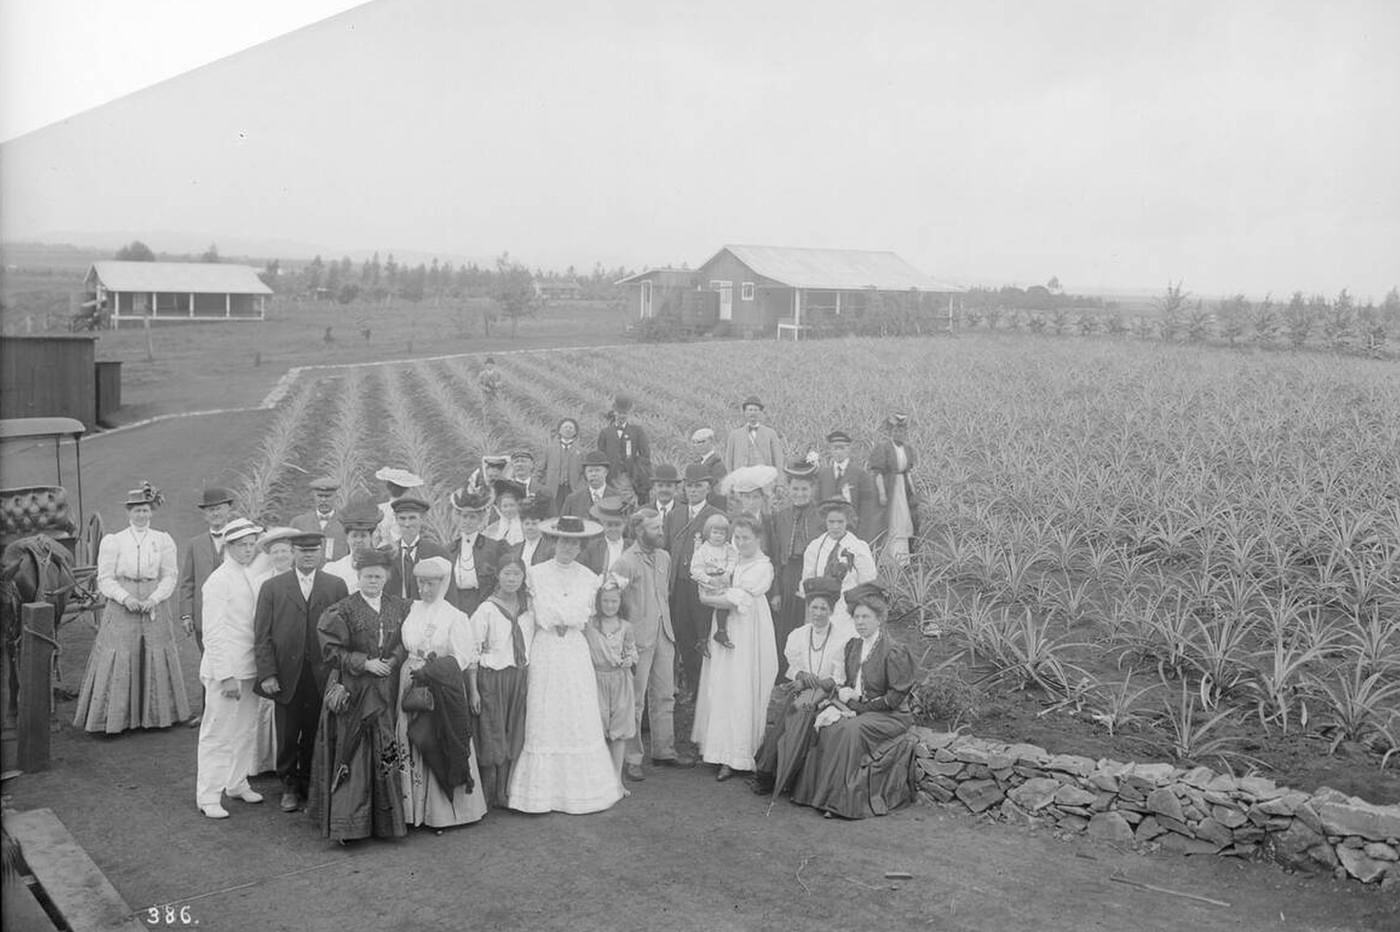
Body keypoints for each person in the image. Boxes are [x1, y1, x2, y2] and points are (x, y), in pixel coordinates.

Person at [506, 515, 622, 814]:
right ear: (553, 541)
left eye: (574, 543)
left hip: (573, 648)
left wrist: (564, 616)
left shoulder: (588, 577)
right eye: (563, 541)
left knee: (575, 710)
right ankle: (542, 794)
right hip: (546, 647)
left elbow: (581, 614)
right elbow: (539, 611)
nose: (567, 547)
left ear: (580, 546)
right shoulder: (535, 573)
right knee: (546, 709)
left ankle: (582, 791)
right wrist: (556, 616)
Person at [791, 582, 918, 820]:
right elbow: (846, 682)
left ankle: (839, 802)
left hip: (891, 716)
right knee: (829, 728)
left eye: (866, 617)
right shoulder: (854, 646)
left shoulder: (894, 651)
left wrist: (859, 702)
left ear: (879, 618)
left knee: (850, 731)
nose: (860, 622)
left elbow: (894, 699)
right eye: (857, 617)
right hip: (860, 709)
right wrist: (843, 697)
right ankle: (816, 796)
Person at [308, 547, 409, 843]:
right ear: (359, 577)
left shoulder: (399, 607)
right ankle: (349, 824)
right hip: (355, 691)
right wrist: (364, 663)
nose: (373, 581)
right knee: (354, 752)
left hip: (386, 690)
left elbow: (406, 640)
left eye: (378, 576)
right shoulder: (343, 609)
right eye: (367, 576)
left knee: (386, 748)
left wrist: (393, 660)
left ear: (387, 577)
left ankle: (386, 822)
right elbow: (330, 650)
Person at [74, 482, 191, 733]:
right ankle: (116, 720)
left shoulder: (163, 540)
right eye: (136, 510)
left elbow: (170, 575)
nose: (142, 515)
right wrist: (125, 598)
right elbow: (105, 578)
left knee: (155, 649)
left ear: (151, 512)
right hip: (122, 601)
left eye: (146, 510)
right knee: (120, 651)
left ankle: (157, 716)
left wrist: (154, 599)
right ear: (128, 513)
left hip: (153, 601)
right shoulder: (114, 541)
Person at [254, 530, 349, 813]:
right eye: (302, 551)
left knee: (313, 730)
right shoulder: (272, 587)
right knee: (286, 732)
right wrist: (268, 674)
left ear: (321, 553)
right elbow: (262, 636)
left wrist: (340, 672)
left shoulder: (335, 585)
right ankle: (288, 784)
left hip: (321, 674)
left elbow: (344, 631)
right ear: (293, 553)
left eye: (313, 551)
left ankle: (309, 780)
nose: (308, 555)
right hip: (286, 674)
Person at [396, 557, 487, 829]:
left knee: (437, 738)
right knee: (411, 737)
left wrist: (432, 670)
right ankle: (413, 810)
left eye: (431, 584)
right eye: (421, 583)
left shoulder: (455, 616)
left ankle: (445, 813)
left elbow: (461, 657)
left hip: (440, 684)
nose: (425, 589)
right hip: (410, 677)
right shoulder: (412, 609)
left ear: (444, 583)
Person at [690, 513, 778, 782]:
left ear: (758, 538)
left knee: (741, 684)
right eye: (737, 537)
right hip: (724, 627)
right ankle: (717, 749)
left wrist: (707, 598)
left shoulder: (764, 566)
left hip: (748, 628)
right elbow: (716, 582)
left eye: (746, 538)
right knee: (722, 683)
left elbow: (738, 598)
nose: (740, 543)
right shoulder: (732, 560)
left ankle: (737, 754)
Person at [610, 508, 694, 782]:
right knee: (634, 700)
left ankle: (664, 750)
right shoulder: (624, 562)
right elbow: (613, 603)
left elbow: (664, 593)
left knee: (665, 695)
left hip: (664, 635)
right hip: (637, 639)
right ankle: (633, 758)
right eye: (655, 528)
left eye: (661, 527)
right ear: (638, 531)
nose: (661, 532)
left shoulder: (664, 557)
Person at [752, 577, 852, 796]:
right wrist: (801, 675)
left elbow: (839, 676)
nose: (818, 613)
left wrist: (819, 682)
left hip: (827, 693)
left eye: (823, 608)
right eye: (814, 607)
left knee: (800, 710)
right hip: (802, 690)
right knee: (792, 712)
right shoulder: (798, 635)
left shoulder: (842, 638)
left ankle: (780, 775)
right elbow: (793, 667)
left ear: (832, 610)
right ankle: (770, 770)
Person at [195, 518, 268, 818]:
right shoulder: (218, 581)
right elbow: (213, 632)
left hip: (249, 667)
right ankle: (208, 796)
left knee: (245, 729)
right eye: (242, 545)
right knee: (218, 732)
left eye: (252, 544)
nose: (248, 550)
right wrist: (225, 675)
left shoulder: (248, 574)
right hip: (227, 670)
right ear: (228, 547)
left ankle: (236, 783)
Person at [469, 556, 533, 808]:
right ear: (498, 576)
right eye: (507, 573)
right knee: (491, 731)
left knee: (513, 730)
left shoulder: (528, 608)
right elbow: (472, 650)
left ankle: (505, 790)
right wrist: (473, 690)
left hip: (517, 676)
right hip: (491, 678)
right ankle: (487, 792)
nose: (511, 579)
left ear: (523, 578)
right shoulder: (486, 609)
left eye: (516, 574)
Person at [179, 485, 237, 725]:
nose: (215, 514)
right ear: (205, 514)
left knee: (234, 661)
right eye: (210, 510)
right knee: (208, 662)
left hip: (234, 614)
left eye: (219, 509)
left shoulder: (240, 540)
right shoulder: (195, 543)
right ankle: (207, 712)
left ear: (228, 511)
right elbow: (187, 582)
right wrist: (186, 615)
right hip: (205, 617)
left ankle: (233, 711)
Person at [665, 464, 725, 696]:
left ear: (708, 487)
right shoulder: (675, 515)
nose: (693, 490)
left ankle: (705, 688)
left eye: (698, 486)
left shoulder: (715, 517)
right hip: (679, 585)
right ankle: (690, 685)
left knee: (703, 634)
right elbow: (668, 548)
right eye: (689, 486)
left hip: (702, 586)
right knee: (682, 633)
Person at [250, 526, 300, 778]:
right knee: (271, 709)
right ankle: (269, 761)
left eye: (285, 551)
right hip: (274, 654)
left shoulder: (303, 579)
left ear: (293, 554)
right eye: (275, 551)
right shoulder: (262, 583)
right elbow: (259, 626)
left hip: (298, 657)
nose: (280, 556)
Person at [768, 460, 825, 674]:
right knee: (784, 626)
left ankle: (807, 674)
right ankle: (784, 674)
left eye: (804, 489)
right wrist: (776, 591)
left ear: (812, 489)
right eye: (795, 488)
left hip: (811, 577)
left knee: (808, 625)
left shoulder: (820, 516)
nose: (800, 493)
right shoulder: (781, 516)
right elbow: (775, 555)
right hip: (786, 576)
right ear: (789, 489)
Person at [583, 580, 637, 796]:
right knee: (599, 729)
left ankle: (616, 779)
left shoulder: (626, 626)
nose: (610, 605)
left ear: (620, 602)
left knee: (619, 732)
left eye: (614, 601)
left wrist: (629, 660)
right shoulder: (591, 626)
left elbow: (632, 652)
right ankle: (599, 779)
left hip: (620, 682)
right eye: (605, 601)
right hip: (597, 680)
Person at [801, 499, 878, 629]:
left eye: (840, 522)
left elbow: (867, 582)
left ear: (847, 521)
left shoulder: (857, 547)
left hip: (846, 607)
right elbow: (807, 580)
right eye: (831, 522)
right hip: (822, 606)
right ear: (825, 521)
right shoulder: (815, 547)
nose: (835, 527)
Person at [444, 486, 508, 614]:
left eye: (472, 517)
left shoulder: (494, 547)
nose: (467, 521)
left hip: (483, 604)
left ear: (480, 519)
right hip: (455, 604)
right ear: (459, 518)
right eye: (464, 516)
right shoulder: (449, 550)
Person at [868, 412, 919, 566]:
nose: (899, 434)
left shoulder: (908, 449)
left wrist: (913, 491)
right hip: (889, 486)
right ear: (890, 432)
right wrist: (882, 494)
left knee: (905, 519)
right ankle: (886, 558)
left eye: (902, 431)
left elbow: (907, 472)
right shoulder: (883, 448)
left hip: (903, 488)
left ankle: (903, 558)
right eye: (896, 431)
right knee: (890, 520)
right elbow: (877, 473)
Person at [817, 430, 877, 543]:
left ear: (849, 449)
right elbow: (817, 505)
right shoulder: (823, 475)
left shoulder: (860, 475)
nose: (838, 452)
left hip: (853, 533)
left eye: (842, 448)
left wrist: (862, 537)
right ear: (830, 450)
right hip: (827, 533)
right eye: (835, 448)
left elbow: (867, 510)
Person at [385, 496, 449, 602]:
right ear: (396, 519)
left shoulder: (438, 553)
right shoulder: (386, 554)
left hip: (426, 614)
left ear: (422, 519)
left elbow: (448, 594)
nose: (407, 524)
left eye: (412, 518)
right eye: (402, 518)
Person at [691, 514, 738, 652]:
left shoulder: (727, 548)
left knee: (723, 606)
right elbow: (695, 569)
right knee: (705, 610)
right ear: (708, 532)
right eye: (715, 532)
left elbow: (733, 560)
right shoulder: (703, 550)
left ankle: (721, 632)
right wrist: (708, 579)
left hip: (722, 580)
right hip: (708, 581)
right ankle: (702, 640)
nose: (718, 536)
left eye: (722, 533)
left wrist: (728, 573)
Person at [597, 393, 652, 500]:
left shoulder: (637, 431)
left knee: (628, 502)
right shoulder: (605, 433)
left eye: (625, 413)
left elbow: (645, 454)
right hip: (610, 476)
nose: (622, 416)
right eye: (619, 413)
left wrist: (636, 471)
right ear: (614, 412)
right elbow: (601, 455)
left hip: (630, 477)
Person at [322, 497, 380, 594]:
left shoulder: (382, 567)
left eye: (363, 536)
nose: (358, 540)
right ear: (347, 538)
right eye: (354, 536)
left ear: (370, 538)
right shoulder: (333, 570)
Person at [290, 476, 347, 561]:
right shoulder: (299, 522)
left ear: (336, 497)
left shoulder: (345, 522)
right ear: (314, 497)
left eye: (327, 496)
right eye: (320, 496)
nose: (323, 500)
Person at [723, 396, 783, 471]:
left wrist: (779, 480)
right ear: (745, 412)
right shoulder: (734, 435)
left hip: (764, 477)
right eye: (750, 410)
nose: (753, 413)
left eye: (755, 410)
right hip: (741, 477)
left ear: (760, 413)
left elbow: (778, 459)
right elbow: (729, 460)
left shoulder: (771, 433)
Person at [540, 417, 585, 514]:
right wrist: (541, 486)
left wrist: (580, 487)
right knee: (553, 514)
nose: (568, 429)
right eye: (565, 427)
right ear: (559, 430)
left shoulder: (581, 451)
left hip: (572, 489)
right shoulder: (550, 449)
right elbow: (540, 469)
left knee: (571, 514)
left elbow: (584, 472)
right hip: (554, 489)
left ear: (575, 432)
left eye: (571, 428)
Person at [373, 467, 424, 547]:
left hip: (396, 550)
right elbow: (375, 536)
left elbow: (376, 537)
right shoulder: (413, 510)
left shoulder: (381, 508)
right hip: (393, 551)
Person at [581, 496, 629, 575]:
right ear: (603, 524)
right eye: (609, 525)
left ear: (624, 524)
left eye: (617, 525)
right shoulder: (592, 547)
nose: (613, 529)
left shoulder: (632, 547)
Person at [561, 450, 613, 518]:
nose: (594, 474)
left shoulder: (618, 499)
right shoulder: (573, 499)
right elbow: (563, 525)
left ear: (606, 472)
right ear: (585, 474)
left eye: (597, 470)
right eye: (590, 471)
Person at [512, 496, 555, 567]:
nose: (530, 527)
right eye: (527, 524)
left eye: (534, 524)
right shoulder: (515, 547)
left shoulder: (550, 548)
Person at [484, 478, 526, 545]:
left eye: (512, 505)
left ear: (518, 506)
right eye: (505, 506)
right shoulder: (491, 530)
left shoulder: (526, 527)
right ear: (500, 508)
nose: (508, 509)